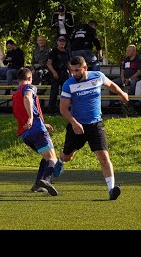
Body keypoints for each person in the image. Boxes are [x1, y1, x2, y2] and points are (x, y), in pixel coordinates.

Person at [53, 56, 129, 201]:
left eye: (77, 70)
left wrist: (122, 94)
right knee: (68, 156)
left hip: (95, 125)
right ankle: (61, 161)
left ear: (85, 68)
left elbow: (111, 84)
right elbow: (63, 109)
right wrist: (74, 122)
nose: (74, 73)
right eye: (72, 70)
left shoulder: (97, 76)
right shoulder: (68, 84)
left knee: (104, 157)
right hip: (77, 126)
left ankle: (111, 190)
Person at [12, 67, 58, 196]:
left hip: (26, 134)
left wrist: (42, 122)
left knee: (45, 157)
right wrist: (32, 118)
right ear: (29, 78)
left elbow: (22, 109)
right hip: (36, 129)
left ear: (17, 79)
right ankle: (46, 180)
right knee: (52, 158)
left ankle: (37, 185)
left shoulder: (15, 94)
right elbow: (27, 98)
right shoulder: (30, 87)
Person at [47, 35, 71, 114]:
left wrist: (71, 72)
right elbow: (49, 64)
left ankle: (62, 110)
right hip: (56, 73)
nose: (62, 43)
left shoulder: (66, 52)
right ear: (57, 42)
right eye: (60, 41)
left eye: (63, 41)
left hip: (64, 74)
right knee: (54, 92)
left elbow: (68, 63)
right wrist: (54, 72)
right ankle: (51, 110)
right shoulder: (53, 52)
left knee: (64, 93)